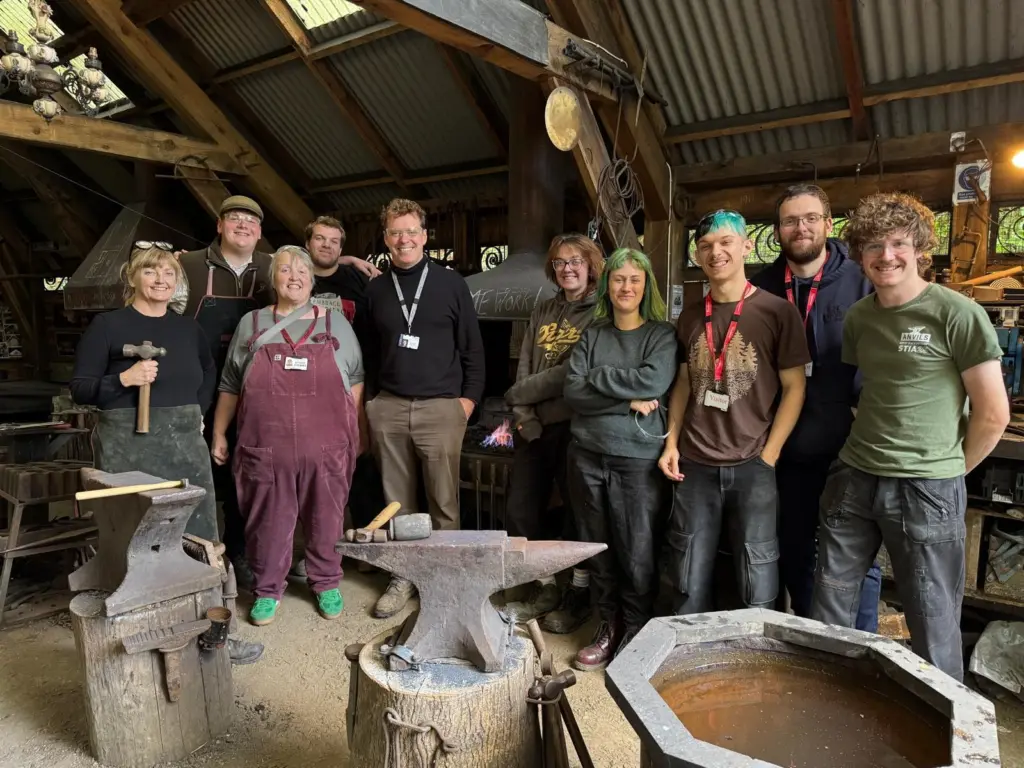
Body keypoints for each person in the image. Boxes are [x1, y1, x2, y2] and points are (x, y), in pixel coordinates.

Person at [811, 193, 1008, 681]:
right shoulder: (860, 317)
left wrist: (948, 472)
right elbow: (872, 391)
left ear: (920, 248)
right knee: (829, 604)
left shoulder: (957, 313)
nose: (886, 255)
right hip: (854, 477)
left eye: (899, 243)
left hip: (926, 486)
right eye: (873, 245)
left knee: (932, 620)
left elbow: (993, 414)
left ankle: (944, 736)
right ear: (859, 255)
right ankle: (826, 707)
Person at [71, 243, 264, 665]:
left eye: (167, 273)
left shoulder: (187, 329)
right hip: (127, 447)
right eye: (150, 272)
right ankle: (132, 639)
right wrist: (125, 377)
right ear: (132, 278)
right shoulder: (108, 326)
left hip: (184, 446)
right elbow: (81, 387)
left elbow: (208, 372)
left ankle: (217, 634)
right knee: (130, 541)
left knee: (202, 539)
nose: (160, 280)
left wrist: (193, 411)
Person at [659, 209, 809, 616]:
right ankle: (688, 660)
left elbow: (795, 387)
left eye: (726, 242)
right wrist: (671, 442)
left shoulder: (778, 313)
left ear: (746, 246)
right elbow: (685, 384)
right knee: (687, 575)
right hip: (694, 464)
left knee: (756, 577)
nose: (716, 252)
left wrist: (770, 455)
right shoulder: (690, 316)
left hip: (753, 463)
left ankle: (752, 664)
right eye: (705, 246)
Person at [750, 184, 882, 631]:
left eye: (810, 218)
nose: (800, 228)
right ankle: (810, 642)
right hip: (785, 449)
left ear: (829, 223)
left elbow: (882, 363)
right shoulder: (762, 287)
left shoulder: (862, 281)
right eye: (790, 220)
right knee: (794, 549)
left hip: (850, 450)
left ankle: (860, 650)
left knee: (855, 554)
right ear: (777, 230)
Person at [211, 245, 365, 626]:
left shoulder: (335, 324)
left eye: (301, 270)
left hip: (325, 447)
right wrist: (219, 433)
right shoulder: (253, 324)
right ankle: (267, 589)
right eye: (284, 269)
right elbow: (230, 383)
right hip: (265, 447)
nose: (293, 276)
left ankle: (326, 581)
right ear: (273, 278)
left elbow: (356, 381)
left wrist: (353, 432)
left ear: (312, 280)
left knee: (326, 517)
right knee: (267, 520)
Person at [364, 198, 485, 619]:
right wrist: (371, 404)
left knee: (443, 499)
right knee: (396, 500)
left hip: (441, 407)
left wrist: (466, 402)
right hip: (390, 406)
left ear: (425, 236)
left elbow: (473, 348)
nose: (404, 239)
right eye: (396, 232)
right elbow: (368, 350)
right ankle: (405, 574)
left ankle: (444, 575)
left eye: (411, 231)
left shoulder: (451, 283)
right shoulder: (377, 289)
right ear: (386, 239)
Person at [563, 248, 677, 671]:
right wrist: (626, 401)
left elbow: (655, 379)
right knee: (598, 548)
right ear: (606, 285)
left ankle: (634, 627)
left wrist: (599, 379)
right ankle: (606, 624)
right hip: (586, 456)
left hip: (637, 460)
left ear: (646, 286)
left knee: (637, 550)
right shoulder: (593, 334)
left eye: (634, 279)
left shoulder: (661, 335)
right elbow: (573, 391)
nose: (626, 287)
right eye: (618, 279)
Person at [503, 233, 603, 634]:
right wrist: (523, 415)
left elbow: (571, 375)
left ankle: (579, 590)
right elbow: (525, 362)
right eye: (560, 262)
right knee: (520, 509)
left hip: (576, 427)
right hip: (534, 427)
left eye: (576, 261)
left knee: (578, 514)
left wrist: (516, 394)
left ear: (591, 265)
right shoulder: (542, 309)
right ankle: (542, 586)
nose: (568, 268)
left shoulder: (600, 314)